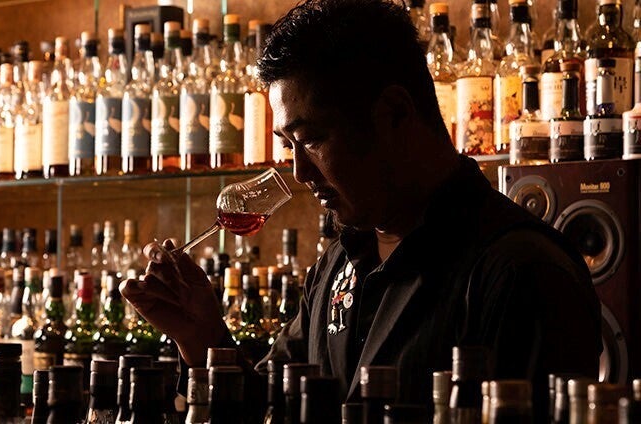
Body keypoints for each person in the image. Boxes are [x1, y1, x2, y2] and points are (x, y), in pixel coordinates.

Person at [120, 0, 601, 417]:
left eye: (311, 139)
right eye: (288, 144)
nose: (300, 173)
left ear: (394, 112)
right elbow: (273, 407)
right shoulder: (339, 262)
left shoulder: (522, 270)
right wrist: (202, 336)